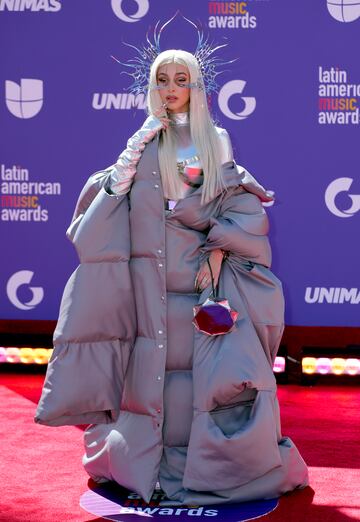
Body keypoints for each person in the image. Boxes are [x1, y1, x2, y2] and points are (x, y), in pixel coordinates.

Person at [34, 49, 309, 506]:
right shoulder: (144, 141)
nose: (172, 87)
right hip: (148, 279)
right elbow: (113, 197)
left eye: (182, 79)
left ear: (196, 86)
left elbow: (232, 205)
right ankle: (148, 469)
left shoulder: (214, 139)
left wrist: (219, 252)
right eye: (163, 79)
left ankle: (199, 468)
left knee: (195, 377)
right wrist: (138, 143)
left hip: (200, 278)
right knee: (151, 371)